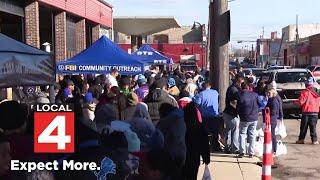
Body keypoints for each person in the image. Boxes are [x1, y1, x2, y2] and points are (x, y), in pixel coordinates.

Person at [157, 103, 186, 179]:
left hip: (172, 153)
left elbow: (157, 138)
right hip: (186, 151)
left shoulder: (165, 121)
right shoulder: (183, 115)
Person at [182, 102, 210, 180]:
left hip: (182, 155)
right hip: (194, 156)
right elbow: (205, 143)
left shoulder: (181, 125)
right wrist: (206, 157)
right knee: (192, 175)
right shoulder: (199, 126)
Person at [193, 81, 220, 151]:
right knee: (215, 132)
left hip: (204, 116)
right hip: (214, 115)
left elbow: (196, 104)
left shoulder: (201, 94)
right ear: (210, 86)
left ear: (202, 87)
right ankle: (215, 146)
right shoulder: (215, 92)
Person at [237, 82, 260, 158]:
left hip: (245, 118)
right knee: (252, 135)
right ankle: (251, 153)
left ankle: (242, 152)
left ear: (241, 87)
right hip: (254, 118)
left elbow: (238, 108)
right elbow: (260, 103)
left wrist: (239, 114)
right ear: (248, 87)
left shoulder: (240, 96)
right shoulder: (255, 95)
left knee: (242, 135)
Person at [295, 77, 320, 145]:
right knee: (313, 127)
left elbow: (301, 102)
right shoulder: (317, 92)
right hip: (315, 112)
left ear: (306, 84)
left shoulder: (305, 92)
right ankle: (314, 140)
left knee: (304, 127)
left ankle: (301, 140)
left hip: (306, 112)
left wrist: (295, 102)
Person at [223, 76, 244, 154]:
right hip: (231, 114)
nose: (242, 84)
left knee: (228, 130)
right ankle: (235, 148)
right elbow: (234, 102)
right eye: (241, 82)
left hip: (227, 113)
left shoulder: (231, 88)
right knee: (235, 130)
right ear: (239, 82)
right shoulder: (235, 90)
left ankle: (227, 147)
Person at [265, 86, 283, 155]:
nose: (268, 94)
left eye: (269, 93)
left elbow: (274, 111)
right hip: (271, 119)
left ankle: (274, 149)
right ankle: (271, 148)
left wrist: (267, 112)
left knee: (272, 135)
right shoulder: (271, 99)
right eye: (268, 93)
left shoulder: (274, 101)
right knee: (271, 134)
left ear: (273, 93)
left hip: (272, 119)